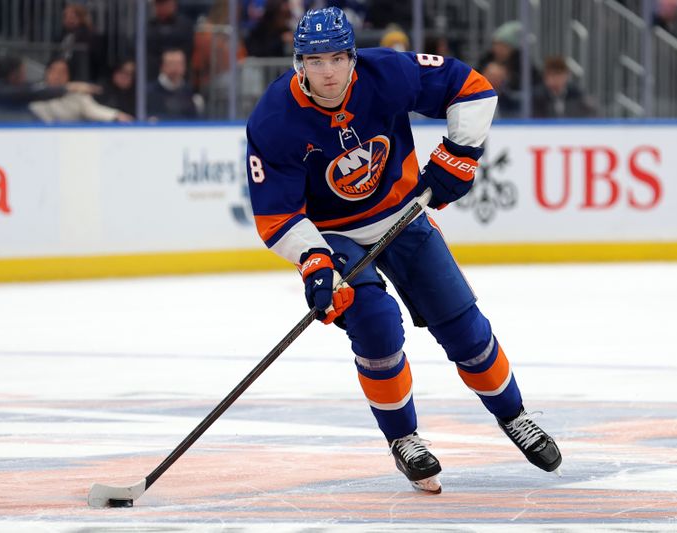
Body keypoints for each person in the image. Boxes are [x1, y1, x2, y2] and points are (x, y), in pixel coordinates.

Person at [245, 7, 562, 493]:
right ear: (298, 63)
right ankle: (404, 439)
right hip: (335, 235)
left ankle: (513, 415)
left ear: (353, 57)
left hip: (403, 214)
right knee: (374, 323)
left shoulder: (386, 72)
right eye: (314, 60)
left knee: (463, 325)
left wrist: (459, 154)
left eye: (336, 58)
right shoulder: (273, 119)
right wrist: (314, 262)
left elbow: (472, 87)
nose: (327, 71)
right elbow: (278, 214)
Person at [28, 57, 131, 123]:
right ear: (47, 73)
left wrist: (116, 115)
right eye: (54, 71)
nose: (58, 76)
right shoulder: (37, 92)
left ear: (69, 76)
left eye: (62, 72)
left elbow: (92, 110)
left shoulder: (77, 92)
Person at [146, 48, 202, 120]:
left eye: (179, 63)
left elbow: (194, 120)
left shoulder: (189, 91)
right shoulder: (149, 91)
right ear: (162, 66)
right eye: (171, 64)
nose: (175, 68)